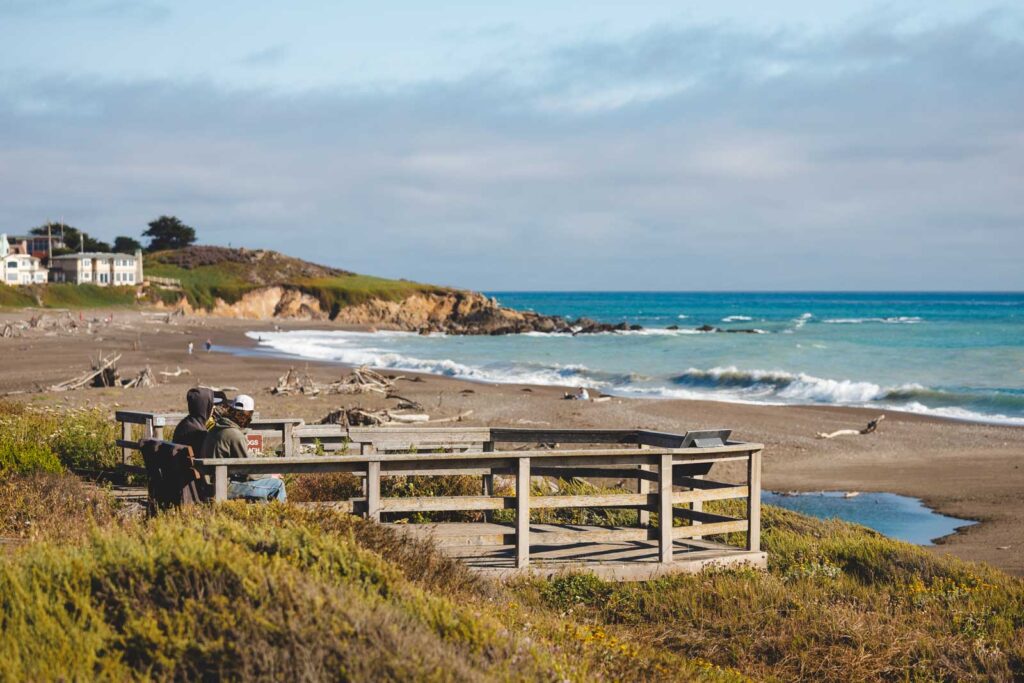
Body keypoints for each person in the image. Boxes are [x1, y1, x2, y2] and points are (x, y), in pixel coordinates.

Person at [199, 394, 286, 502]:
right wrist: (270, 475)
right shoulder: (234, 434)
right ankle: (281, 517)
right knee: (277, 485)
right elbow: (248, 471)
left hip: (210, 482)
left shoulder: (217, 427)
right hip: (222, 486)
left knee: (263, 487)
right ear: (248, 415)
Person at [171, 387, 219, 457]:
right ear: (205, 407)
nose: (213, 408)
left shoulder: (185, 424)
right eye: (211, 405)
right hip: (191, 467)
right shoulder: (198, 432)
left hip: (180, 466)